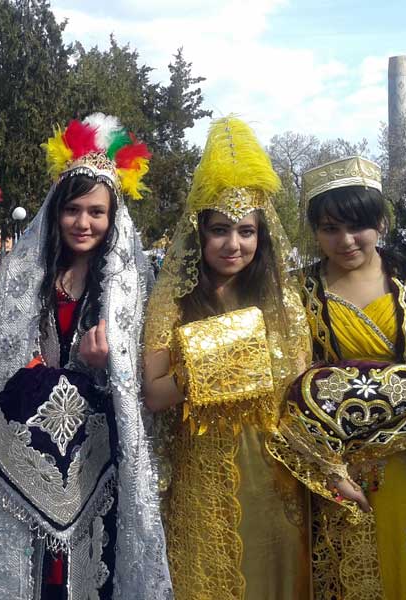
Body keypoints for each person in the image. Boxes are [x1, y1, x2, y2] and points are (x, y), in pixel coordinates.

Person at [0, 114, 172, 600]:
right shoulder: (24, 277)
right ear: (56, 213)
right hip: (27, 451)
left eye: (96, 212)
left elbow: (136, 382)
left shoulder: (129, 289)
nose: (84, 223)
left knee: (87, 565)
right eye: (73, 210)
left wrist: (102, 369)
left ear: (112, 217)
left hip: (95, 460)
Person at [268, 155, 406, 599]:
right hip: (331, 470)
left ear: (381, 223)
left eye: (358, 226)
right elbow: (293, 387)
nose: (346, 240)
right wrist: (328, 471)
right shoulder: (298, 290)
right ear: (315, 232)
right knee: (342, 579)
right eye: (330, 228)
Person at [142, 116, 312, 599]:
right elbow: (154, 395)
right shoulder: (171, 303)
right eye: (219, 230)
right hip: (200, 468)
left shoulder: (284, 302)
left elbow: (300, 390)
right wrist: (217, 364)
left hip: (273, 468)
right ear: (200, 234)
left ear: (262, 237)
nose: (233, 244)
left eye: (245, 231)